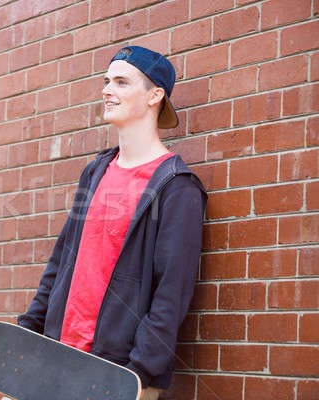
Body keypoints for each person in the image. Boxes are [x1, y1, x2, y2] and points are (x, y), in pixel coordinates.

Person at [17, 46, 207, 400]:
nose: (107, 89)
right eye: (106, 81)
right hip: (56, 358)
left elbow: (172, 292)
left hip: (116, 374)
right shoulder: (96, 171)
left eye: (121, 81)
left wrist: (137, 372)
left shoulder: (176, 186)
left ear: (155, 95)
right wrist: (28, 332)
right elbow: (62, 261)